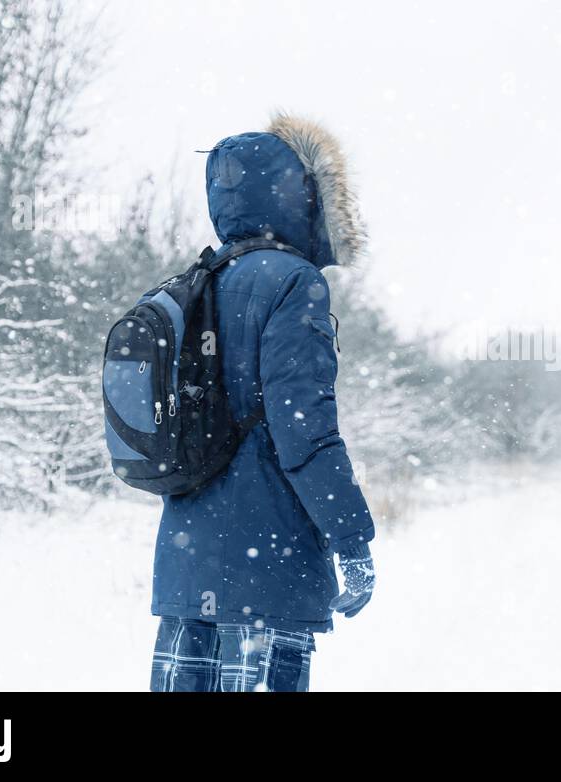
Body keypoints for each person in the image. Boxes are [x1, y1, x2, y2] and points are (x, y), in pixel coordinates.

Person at [147, 113, 376, 692]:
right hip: (266, 572)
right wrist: (352, 541)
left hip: (185, 566)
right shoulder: (295, 282)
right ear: (300, 197)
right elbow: (305, 432)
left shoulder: (196, 282)